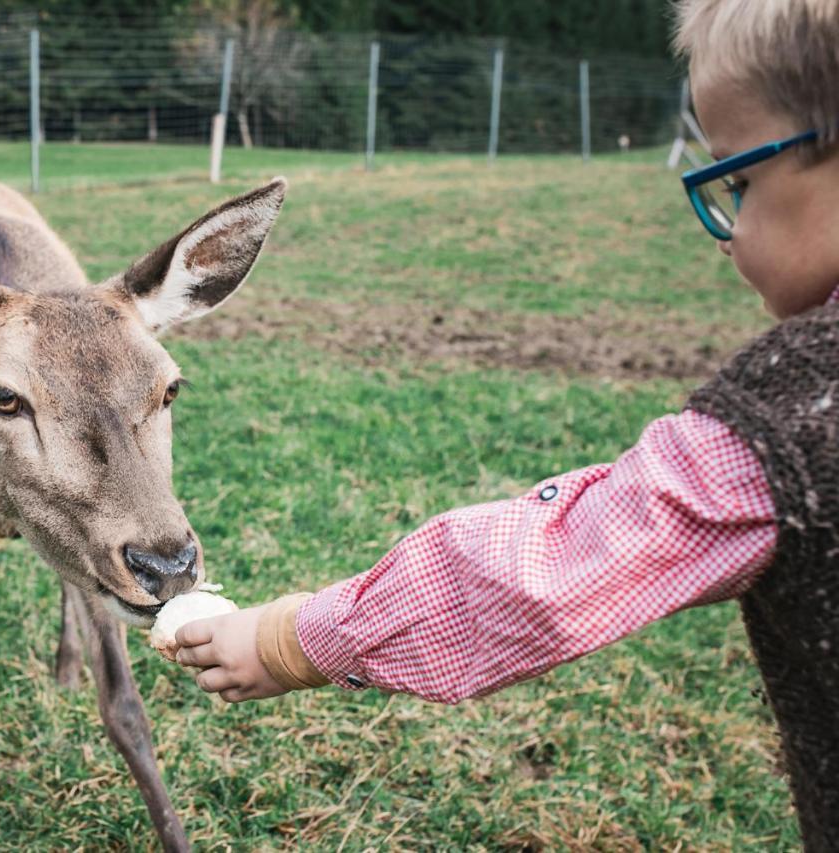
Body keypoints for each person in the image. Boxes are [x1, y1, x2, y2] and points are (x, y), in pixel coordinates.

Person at [175, 0, 839, 844]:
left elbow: (542, 572)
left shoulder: (792, 425)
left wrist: (286, 637)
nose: (725, 232)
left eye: (738, 182)